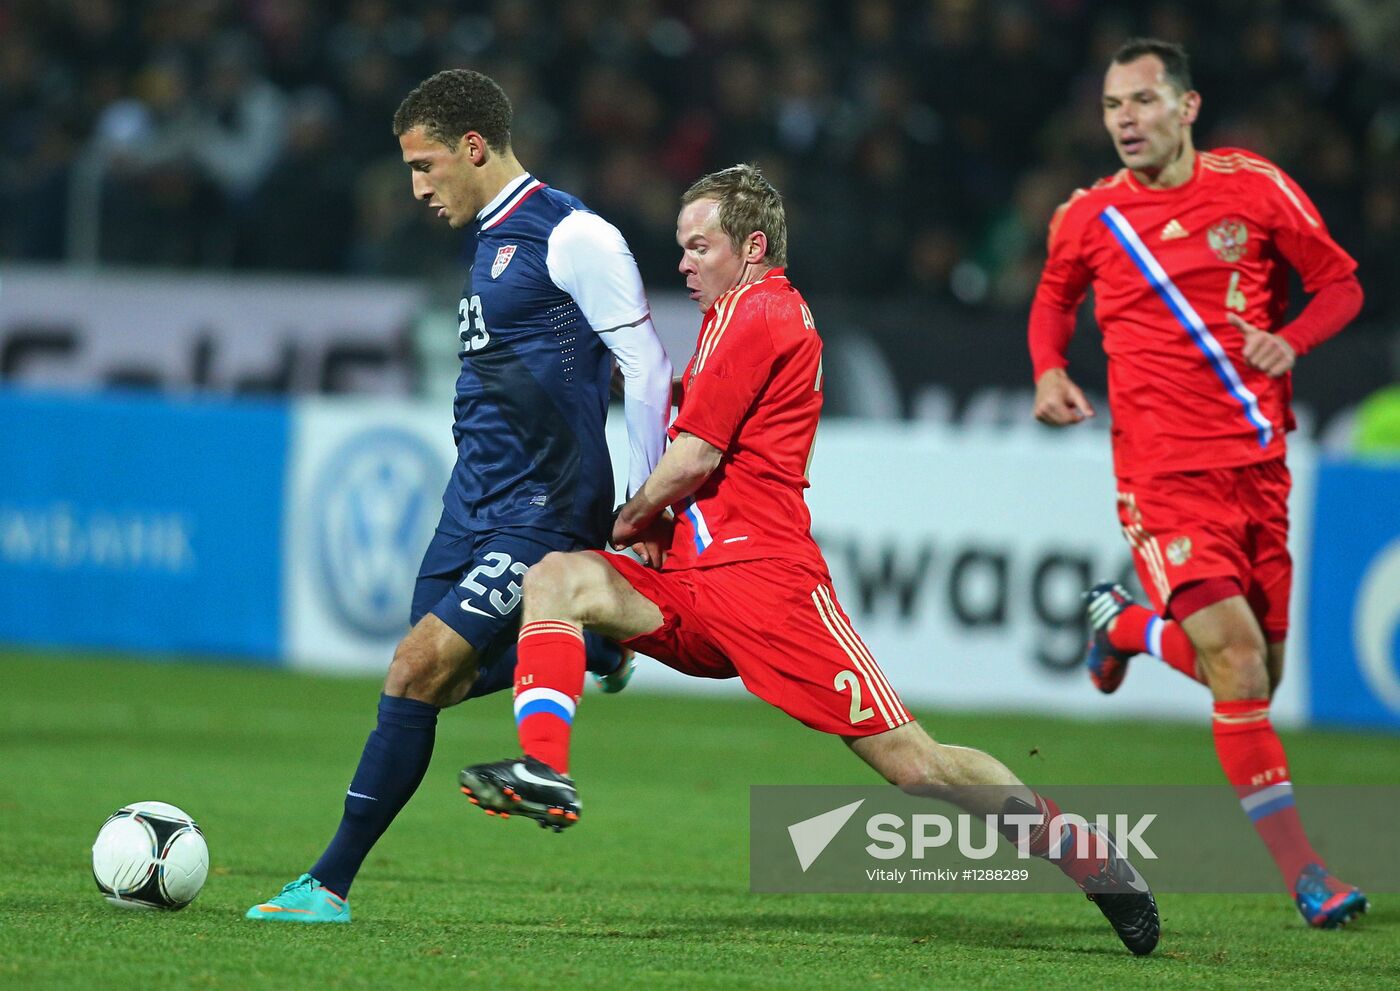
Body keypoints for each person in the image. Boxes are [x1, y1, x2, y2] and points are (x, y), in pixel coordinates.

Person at [458, 164, 1160, 956]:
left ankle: (1091, 859)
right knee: (556, 579)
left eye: (700, 246)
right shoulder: (734, 313)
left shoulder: (760, 313)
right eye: (682, 248)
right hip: (692, 582)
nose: (683, 263)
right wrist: (655, 522)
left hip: (769, 586)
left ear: (752, 247)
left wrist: (631, 514)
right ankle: (545, 767)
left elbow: (691, 458)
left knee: (916, 767)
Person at [245, 69, 673, 922]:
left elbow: (648, 364)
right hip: (468, 506)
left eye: (425, 164)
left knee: (414, 665)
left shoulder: (573, 234)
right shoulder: (489, 240)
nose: (416, 187)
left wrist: (646, 502)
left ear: (474, 148)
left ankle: (326, 885)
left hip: (545, 511)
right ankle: (592, 648)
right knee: (423, 686)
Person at [1027, 39, 1368, 928]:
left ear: (1188, 106)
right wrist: (1047, 370)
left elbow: (1340, 285)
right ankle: (1307, 877)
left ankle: (1125, 622)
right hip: (1163, 478)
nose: (1125, 120)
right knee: (1240, 659)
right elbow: (1054, 296)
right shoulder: (1090, 216)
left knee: (1260, 673)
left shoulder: (1255, 187)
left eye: (1141, 101)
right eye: (1111, 106)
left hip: (1259, 470)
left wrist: (1291, 340)